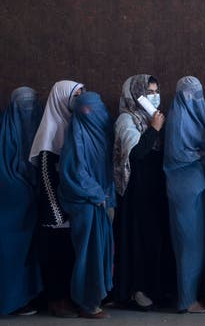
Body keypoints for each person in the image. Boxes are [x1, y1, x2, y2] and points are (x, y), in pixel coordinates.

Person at [113, 75, 174, 311]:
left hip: (154, 189)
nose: (154, 96)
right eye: (148, 92)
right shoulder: (126, 119)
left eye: (156, 91)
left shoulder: (151, 117)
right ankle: (137, 289)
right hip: (136, 191)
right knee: (138, 240)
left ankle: (155, 288)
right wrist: (154, 130)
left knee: (155, 239)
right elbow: (136, 154)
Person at [29, 80, 85, 318]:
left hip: (68, 201)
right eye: (76, 95)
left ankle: (67, 298)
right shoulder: (49, 131)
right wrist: (55, 209)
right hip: (54, 206)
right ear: (61, 98)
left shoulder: (69, 124)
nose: (80, 99)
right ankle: (56, 300)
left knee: (67, 252)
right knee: (56, 253)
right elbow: (44, 172)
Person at [58, 91, 115, 319]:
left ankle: (98, 296)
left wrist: (107, 196)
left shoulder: (106, 131)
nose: (90, 113)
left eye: (94, 108)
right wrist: (96, 194)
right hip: (86, 203)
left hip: (105, 199)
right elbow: (73, 171)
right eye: (85, 109)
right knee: (87, 253)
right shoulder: (76, 136)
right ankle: (87, 303)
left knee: (102, 251)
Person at [163, 76, 205, 314]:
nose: (196, 100)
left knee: (199, 243)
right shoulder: (178, 118)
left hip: (197, 187)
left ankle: (191, 295)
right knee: (188, 245)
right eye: (191, 94)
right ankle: (186, 299)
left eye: (198, 94)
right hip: (184, 189)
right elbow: (177, 155)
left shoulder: (195, 119)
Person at [0, 87, 43, 316]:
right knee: (12, 252)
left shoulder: (40, 125)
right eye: (23, 105)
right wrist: (21, 187)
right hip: (11, 203)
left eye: (32, 103)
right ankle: (11, 300)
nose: (29, 109)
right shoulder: (4, 131)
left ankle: (29, 297)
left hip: (34, 199)